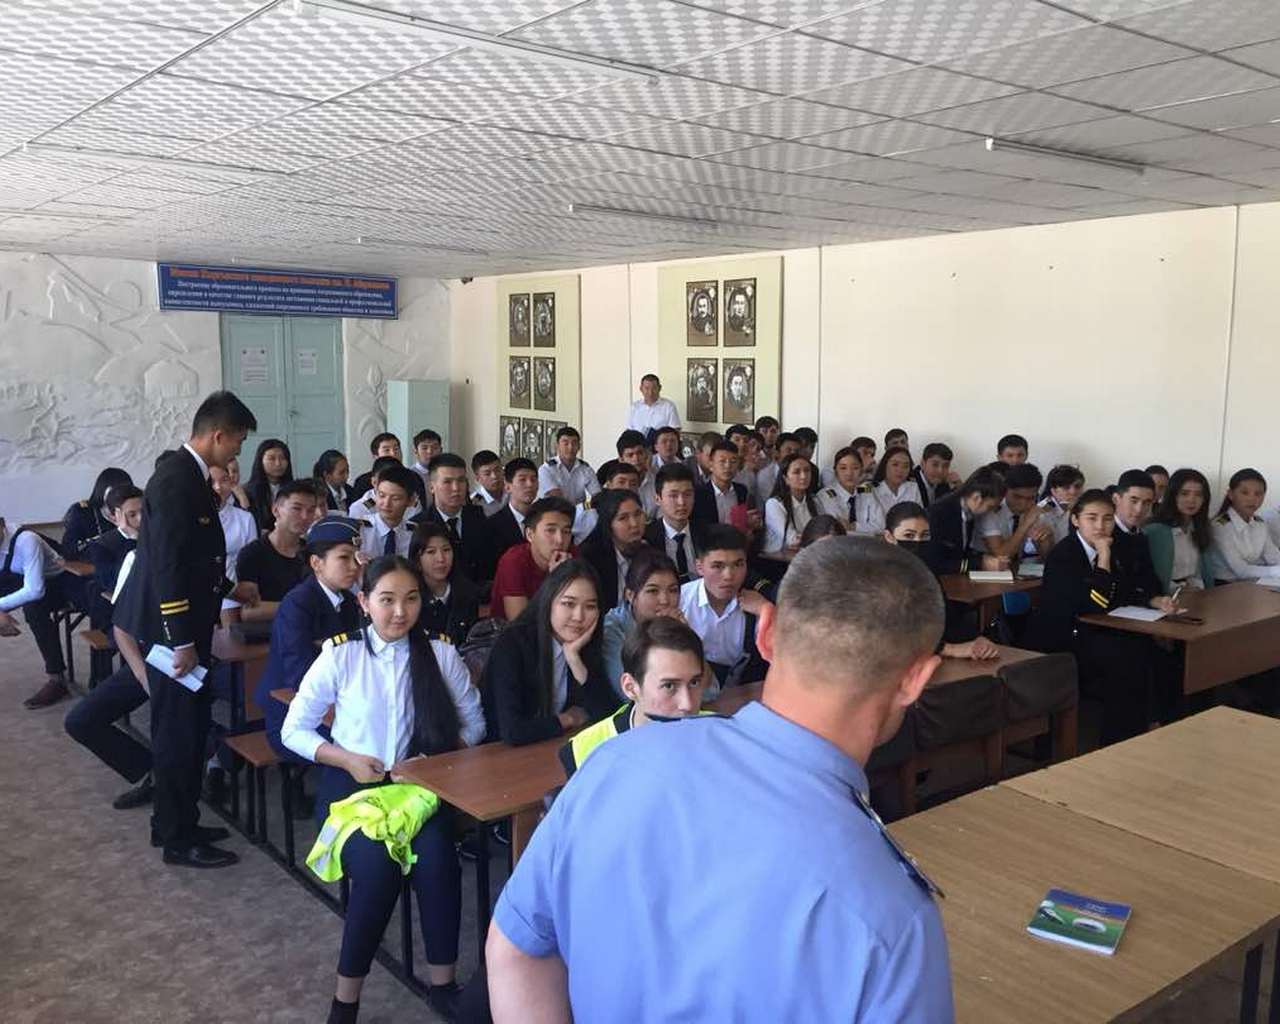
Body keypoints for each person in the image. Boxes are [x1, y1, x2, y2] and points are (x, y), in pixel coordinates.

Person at [486, 539, 952, 1023]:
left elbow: (516, 948)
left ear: (765, 634)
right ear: (915, 679)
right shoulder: (894, 918)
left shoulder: (615, 761)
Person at [282, 556, 485, 1022]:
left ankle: (442, 986)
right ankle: (345, 1000)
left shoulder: (440, 654)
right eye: (387, 600)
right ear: (363, 602)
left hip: (418, 791)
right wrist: (346, 758)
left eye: (411, 599)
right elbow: (294, 729)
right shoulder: (342, 654)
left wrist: (433, 762)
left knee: (439, 863)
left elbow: (475, 723)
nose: (399, 612)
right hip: (353, 790)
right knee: (378, 872)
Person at [112, 390, 261, 868]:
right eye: (237, 442)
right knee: (177, 735)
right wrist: (182, 641)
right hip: (170, 633)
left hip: (183, 626)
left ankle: (179, 821)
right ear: (218, 435)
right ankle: (177, 838)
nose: (238, 452)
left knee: (191, 730)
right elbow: (169, 567)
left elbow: (197, 559)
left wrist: (231, 589)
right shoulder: (177, 481)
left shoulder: (189, 477)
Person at [1031, 489, 1173, 745]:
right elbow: (1094, 604)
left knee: (1153, 651)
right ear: (1076, 520)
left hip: (1096, 629)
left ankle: (1148, 728)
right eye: (1092, 518)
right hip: (1065, 636)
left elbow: (1125, 589)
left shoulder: (1111, 546)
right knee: (1126, 658)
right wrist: (1104, 559)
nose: (1100, 526)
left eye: (1107, 519)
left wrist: (1153, 600)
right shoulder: (1065, 554)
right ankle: (1117, 741)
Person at [255, 518, 363, 760]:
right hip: (293, 712)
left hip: (338, 705)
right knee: (361, 747)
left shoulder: (348, 602)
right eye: (344, 558)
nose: (354, 567)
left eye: (357, 558)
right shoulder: (298, 603)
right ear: (316, 563)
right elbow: (300, 673)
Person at [481, 558, 615, 745]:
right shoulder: (512, 644)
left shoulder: (585, 646)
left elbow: (610, 719)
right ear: (548, 601)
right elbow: (513, 731)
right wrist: (568, 719)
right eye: (568, 604)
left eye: (590, 606)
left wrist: (575, 660)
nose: (579, 616)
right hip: (499, 754)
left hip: (550, 748)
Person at [561, 616, 706, 779]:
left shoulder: (719, 731)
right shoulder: (583, 752)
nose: (687, 704)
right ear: (630, 687)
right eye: (669, 686)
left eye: (694, 682)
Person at [884, 503, 1001, 662]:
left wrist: (976, 640)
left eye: (924, 536)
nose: (918, 542)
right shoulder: (878, 578)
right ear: (889, 537)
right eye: (909, 536)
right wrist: (951, 649)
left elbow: (945, 616)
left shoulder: (926, 570)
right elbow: (895, 633)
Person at [679, 525, 770, 690]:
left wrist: (766, 610)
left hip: (738, 694)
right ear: (699, 567)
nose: (729, 576)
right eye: (717, 566)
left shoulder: (756, 606)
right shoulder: (680, 602)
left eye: (738, 564)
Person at [1, 515, 73, 708]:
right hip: (18, 577)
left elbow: (35, 590)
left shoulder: (26, 540)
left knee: (33, 609)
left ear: (2, 526)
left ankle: (57, 680)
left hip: (57, 581)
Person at [599, 548, 684, 697]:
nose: (665, 600)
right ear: (630, 595)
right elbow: (628, 693)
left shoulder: (677, 622)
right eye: (653, 591)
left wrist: (682, 635)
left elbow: (710, 690)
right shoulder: (613, 627)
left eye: (672, 590)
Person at [235, 481, 316, 621]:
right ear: (276, 510)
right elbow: (249, 612)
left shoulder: (313, 552)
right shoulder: (253, 553)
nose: (305, 516)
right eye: (297, 508)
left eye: (311, 510)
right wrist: (300, 607)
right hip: (268, 630)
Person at [490, 497, 575, 622]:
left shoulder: (572, 554)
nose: (560, 540)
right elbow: (520, 624)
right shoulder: (513, 561)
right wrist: (555, 580)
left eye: (566, 531)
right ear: (530, 535)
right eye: (550, 530)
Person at [421, 453, 491, 585]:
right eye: (447, 482)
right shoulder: (420, 524)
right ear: (432, 487)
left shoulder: (479, 517)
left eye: (461, 480)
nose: (456, 488)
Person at [925, 467, 1010, 575]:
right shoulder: (940, 513)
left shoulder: (967, 510)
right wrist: (980, 563)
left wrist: (985, 558)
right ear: (977, 498)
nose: (991, 511)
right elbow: (935, 562)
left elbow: (960, 551)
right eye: (990, 506)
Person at [410, 520, 481, 646]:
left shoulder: (468, 592)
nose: (441, 559)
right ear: (417, 560)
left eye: (446, 550)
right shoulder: (411, 598)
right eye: (431, 552)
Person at [1144, 468, 1214, 593]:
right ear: (1173, 496)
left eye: (1198, 495)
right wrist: (1179, 589)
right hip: (1166, 596)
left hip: (1197, 593)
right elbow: (1151, 576)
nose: (1192, 500)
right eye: (1185, 494)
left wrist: (1196, 588)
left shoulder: (1202, 527)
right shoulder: (1155, 531)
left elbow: (1202, 573)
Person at [578, 488, 649, 611]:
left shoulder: (649, 551)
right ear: (608, 525)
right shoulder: (590, 560)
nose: (634, 524)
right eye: (623, 518)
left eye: (638, 514)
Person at [86, 484, 143, 630]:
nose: (141, 519)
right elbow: (114, 583)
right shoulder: (101, 545)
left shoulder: (157, 536)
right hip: (119, 614)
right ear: (115, 517)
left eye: (144, 511)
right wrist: (134, 540)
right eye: (132, 515)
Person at [1209, 468, 1280, 582]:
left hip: (1252, 582)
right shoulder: (1220, 526)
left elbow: (1274, 557)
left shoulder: (1260, 524)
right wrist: (1276, 571)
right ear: (1231, 494)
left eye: (1258, 494)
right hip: (1224, 584)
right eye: (1244, 493)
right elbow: (1241, 570)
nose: (1252, 499)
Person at [972, 463, 1054, 561]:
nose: (1023, 504)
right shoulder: (991, 509)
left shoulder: (1034, 510)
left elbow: (1047, 557)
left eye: (1030, 498)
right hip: (979, 566)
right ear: (1005, 490)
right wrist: (1025, 524)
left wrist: (1046, 538)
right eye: (1017, 497)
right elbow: (1002, 555)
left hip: (1016, 566)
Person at [212, 464, 258, 621]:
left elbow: (251, 561)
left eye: (224, 480)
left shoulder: (245, 518)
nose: (218, 487)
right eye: (212, 482)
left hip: (234, 591)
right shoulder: (190, 517)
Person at [1110, 469, 1163, 600]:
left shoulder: (1140, 536)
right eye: (1134, 501)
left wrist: (1161, 599)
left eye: (1147, 503)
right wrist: (1149, 600)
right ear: (1116, 499)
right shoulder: (1103, 533)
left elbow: (1149, 577)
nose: (1139, 509)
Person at [643, 461, 699, 584]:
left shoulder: (707, 534)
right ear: (658, 499)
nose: (681, 502)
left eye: (687, 494)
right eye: (673, 496)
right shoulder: (646, 539)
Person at [62, 467, 133, 557]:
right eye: (114, 491)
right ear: (102, 490)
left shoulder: (133, 511)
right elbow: (69, 549)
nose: (121, 496)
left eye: (126, 492)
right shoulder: (82, 511)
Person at [356, 465, 418, 562]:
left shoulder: (415, 533)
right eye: (382, 495)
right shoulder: (360, 529)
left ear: (410, 501)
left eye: (395, 498)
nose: (386, 503)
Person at [763, 453, 819, 557]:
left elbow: (825, 531)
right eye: (797, 472)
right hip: (777, 559)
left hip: (807, 555)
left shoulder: (815, 500)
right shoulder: (774, 504)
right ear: (786, 479)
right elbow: (792, 540)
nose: (803, 476)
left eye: (807, 470)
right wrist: (818, 538)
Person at [857, 445, 923, 534]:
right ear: (885, 465)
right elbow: (861, 524)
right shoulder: (867, 488)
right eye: (895, 464)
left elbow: (919, 521)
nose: (900, 470)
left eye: (906, 466)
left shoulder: (913, 488)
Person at [572, 461, 641, 545]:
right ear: (609, 485)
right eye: (621, 482)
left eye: (633, 484)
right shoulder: (589, 512)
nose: (627, 488)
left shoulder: (639, 510)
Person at [488, 457, 540, 565]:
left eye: (533, 479)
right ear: (507, 486)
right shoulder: (492, 525)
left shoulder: (543, 519)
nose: (530, 484)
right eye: (522, 480)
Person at [692, 440, 750, 527]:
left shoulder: (741, 491)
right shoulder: (699, 494)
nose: (728, 466)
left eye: (733, 461)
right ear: (711, 464)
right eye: (722, 461)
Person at [538, 426, 598, 505]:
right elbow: (556, 497)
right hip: (554, 510)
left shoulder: (586, 469)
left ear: (579, 447)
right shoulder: (546, 469)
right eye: (565, 444)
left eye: (574, 443)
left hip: (579, 511)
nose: (570, 447)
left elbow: (597, 495)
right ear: (557, 446)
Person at [245, 438, 294, 532]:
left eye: (283, 458)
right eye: (272, 458)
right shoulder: (248, 491)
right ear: (260, 461)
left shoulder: (295, 490)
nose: (278, 463)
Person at [817, 446, 864, 530]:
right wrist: (864, 526)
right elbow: (836, 527)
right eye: (843, 468)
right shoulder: (825, 496)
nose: (849, 473)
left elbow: (880, 525)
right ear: (835, 472)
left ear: (861, 470)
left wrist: (854, 526)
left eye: (855, 468)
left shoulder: (867, 494)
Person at [615, 429, 659, 517]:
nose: (636, 459)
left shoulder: (658, 478)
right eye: (630, 455)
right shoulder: (615, 485)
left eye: (640, 453)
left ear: (646, 454)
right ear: (621, 460)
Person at [1038, 465, 1085, 545]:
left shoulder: (1083, 506)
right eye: (1066, 487)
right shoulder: (1043, 511)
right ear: (1054, 491)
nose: (1073, 492)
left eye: (1077, 487)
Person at [350, 431, 403, 498]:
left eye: (396, 449)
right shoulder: (364, 482)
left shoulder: (411, 476)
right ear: (376, 456)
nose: (393, 453)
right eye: (387, 450)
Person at [911, 443, 953, 508]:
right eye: (935, 465)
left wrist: (959, 488)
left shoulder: (944, 484)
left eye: (946, 466)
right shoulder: (910, 482)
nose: (940, 471)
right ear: (922, 464)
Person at [314, 450, 356, 514]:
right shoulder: (320, 495)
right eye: (341, 473)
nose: (347, 476)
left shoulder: (350, 491)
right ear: (327, 475)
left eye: (347, 471)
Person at [470, 450, 506, 516]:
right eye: (487, 474)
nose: (494, 476)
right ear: (477, 478)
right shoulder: (474, 503)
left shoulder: (513, 492)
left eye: (497, 470)